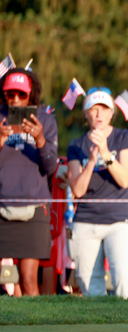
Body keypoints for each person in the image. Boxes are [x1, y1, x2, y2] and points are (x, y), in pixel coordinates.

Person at [66, 87, 128, 299]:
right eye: (93, 108)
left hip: (120, 221)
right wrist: (91, 160)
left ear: (111, 113)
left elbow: (125, 180)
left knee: (124, 280)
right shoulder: (76, 145)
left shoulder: (124, 137)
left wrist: (105, 153)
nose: (98, 114)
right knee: (89, 286)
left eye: (104, 108)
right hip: (86, 221)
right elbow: (77, 191)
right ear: (86, 113)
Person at [0, 68, 58, 296]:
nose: (15, 99)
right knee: (6, 282)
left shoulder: (45, 120)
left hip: (34, 207)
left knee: (28, 278)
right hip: (2, 205)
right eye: (9, 94)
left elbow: (51, 168)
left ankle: (35, 330)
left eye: (21, 94)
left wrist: (40, 139)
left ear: (31, 94)